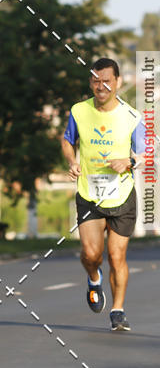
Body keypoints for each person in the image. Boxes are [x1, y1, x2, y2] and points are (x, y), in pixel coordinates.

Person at [61, 57, 145, 331]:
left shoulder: (133, 117)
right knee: (90, 253)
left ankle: (118, 311)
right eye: (96, 81)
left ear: (118, 82)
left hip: (121, 196)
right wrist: (72, 161)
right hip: (89, 194)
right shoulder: (79, 111)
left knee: (116, 256)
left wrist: (128, 162)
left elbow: (146, 153)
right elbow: (67, 139)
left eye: (107, 81)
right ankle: (93, 277)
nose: (101, 86)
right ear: (90, 82)